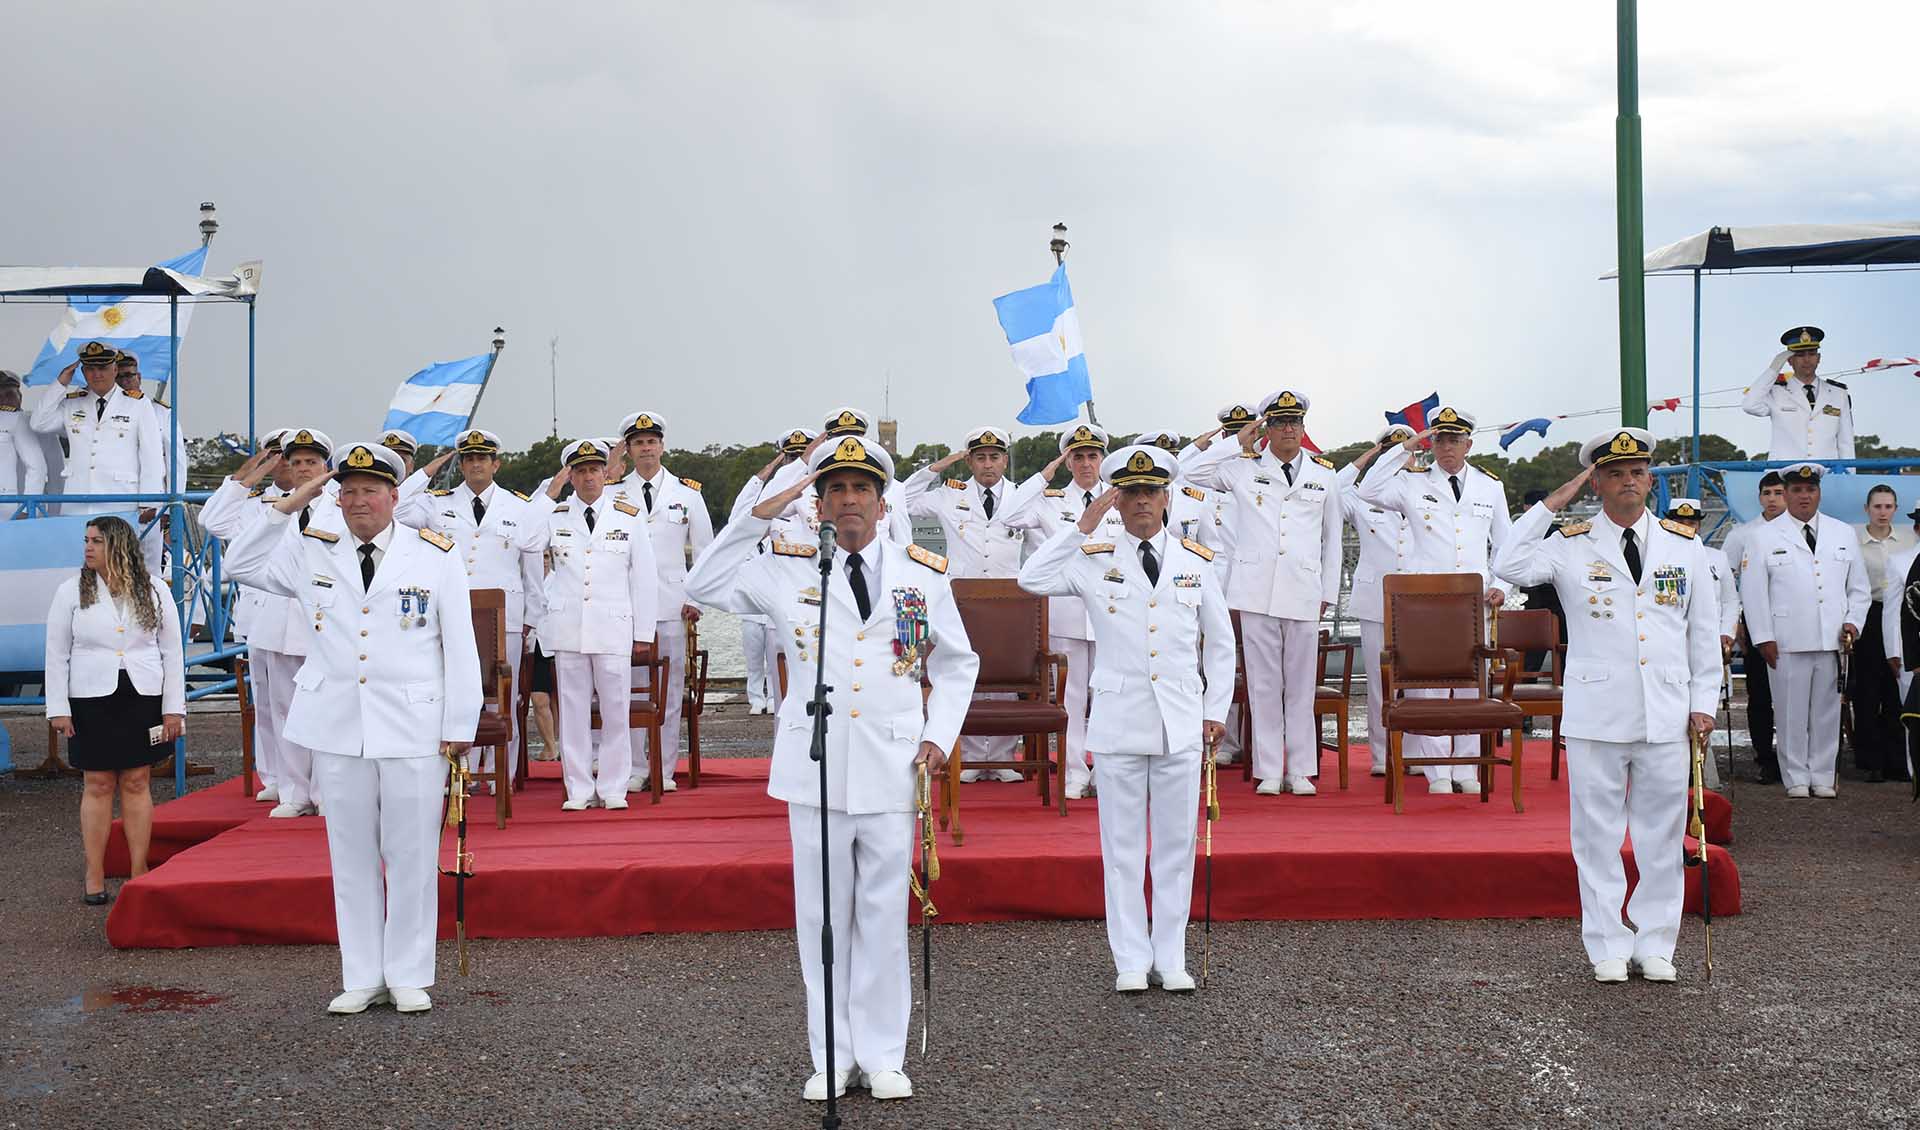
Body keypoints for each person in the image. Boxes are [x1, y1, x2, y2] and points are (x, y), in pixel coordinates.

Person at [686, 434, 978, 1103]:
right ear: (817, 503)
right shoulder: (786, 566)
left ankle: (882, 1055)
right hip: (814, 766)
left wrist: (939, 735)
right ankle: (830, 1055)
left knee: (881, 915)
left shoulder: (921, 571)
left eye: (861, 490)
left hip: (892, 760)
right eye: (836, 490)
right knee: (821, 917)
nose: (849, 501)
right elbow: (701, 582)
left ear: (882, 504)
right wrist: (765, 507)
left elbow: (958, 663)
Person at [222, 440, 480, 1015]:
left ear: (394, 496)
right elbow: (239, 562)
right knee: (351, 855)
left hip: (415, 723)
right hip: (339, 723)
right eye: (348, 490)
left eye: (370, 490)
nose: (358, 500)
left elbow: (460, 645)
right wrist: (295, 499)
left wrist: (460, 723)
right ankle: (362, 974)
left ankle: (409, 973)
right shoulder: (312, 548)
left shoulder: (434, 552)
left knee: (412, 851)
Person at [1493, 427, 1719, 983]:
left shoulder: (1684, 546)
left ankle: (1657, 943)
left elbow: (1702, 632)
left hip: (1667, 712)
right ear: (1596, 481)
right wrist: (1552, 503)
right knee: (1595, 836)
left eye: (1637, 473)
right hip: (1598, 712)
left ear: (1650, 480)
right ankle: (1607, 946)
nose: (1628, 483)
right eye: (1615, 474)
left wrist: (1704, 703)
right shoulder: (1570, 542)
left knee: (1661, 836)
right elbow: (1506, 562)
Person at [1017, 444, 1232, 991]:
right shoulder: (1094, 556)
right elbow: (1030, 580)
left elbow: (1222, 645)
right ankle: (1131, 960)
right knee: (1123, 848)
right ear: (1117, 499)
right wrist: (1080, 526)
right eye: (1131, 492)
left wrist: (1214, 710)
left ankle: (1172, 956)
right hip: (1117, 721)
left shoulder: (1195, 561)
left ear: (1166, 498)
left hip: (1180, 720)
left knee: (1177, 846)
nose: (1142, 501)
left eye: (1151, 492)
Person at [1183, 390, 1340, 795]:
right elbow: (1193, 472)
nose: (1287, 429)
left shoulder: (1324, 475)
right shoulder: (1240, 468)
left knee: (1301, 686)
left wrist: (1329, 591)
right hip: (1255, 590)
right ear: (1266, 428)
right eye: (1278, 422)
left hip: (1305, 590)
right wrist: (1238, 440)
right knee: (1264, 685)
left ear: (1304, 428)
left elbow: (1333, 539)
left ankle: (1301, 768)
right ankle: (1270, 768)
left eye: (1294, 422)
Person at [1355, 404, 1514, 794]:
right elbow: (1368, 488)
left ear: (1468, 444)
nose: (1447, 447)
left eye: (1454, 440)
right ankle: (1439, 769)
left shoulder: (1489, 487)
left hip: (1474, 601)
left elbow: (1507, 545)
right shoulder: (1413, 482)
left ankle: (1468, 767)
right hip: (1426, 600)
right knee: (1429, 686)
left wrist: (1503, 586)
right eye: (1440, 439)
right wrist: (1407, 445)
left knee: (1471, 687)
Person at [395, 428, 554, 789]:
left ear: (496, 464)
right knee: (453, 695)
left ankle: (503, 774)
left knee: (504, 698)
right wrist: (428, 471)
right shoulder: (437, 502)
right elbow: (397, 507)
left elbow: (531, 568)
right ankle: (458, 773)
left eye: (482, 458)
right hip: (450, 613)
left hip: (506, 616)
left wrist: (532, 617)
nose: (475, 464)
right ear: (461, 464)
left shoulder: (520, 506)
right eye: (468, 459)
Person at [45, 516, 186, 905]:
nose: (88, 547)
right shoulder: (70, 591)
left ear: (119, 545)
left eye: (97, 541)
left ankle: (139, 869)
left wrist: (174, 709)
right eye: (86, 540)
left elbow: (173, 653)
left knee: (138, 780)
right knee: (98, 782)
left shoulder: (154, 589)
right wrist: (58, 708)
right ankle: (95, 871)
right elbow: (56, 654)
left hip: (141, 695)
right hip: (90, 698)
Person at [200, 429, 338, 816]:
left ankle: (326, 791)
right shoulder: (269, 509)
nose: (304, 469)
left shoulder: (343, 506)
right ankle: (294, 792)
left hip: (327, 626)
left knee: (328, 710)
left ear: (325, 466)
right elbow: (217, 525)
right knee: (282, 710)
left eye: (311, 462)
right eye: (296, 463)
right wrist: (258, 469)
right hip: (278, 623)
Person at [901, 425, 1045, 782]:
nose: (988, 465)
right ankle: (965, 755)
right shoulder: (950, 495)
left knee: (1007, 681)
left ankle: (1001, 757)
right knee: (961, 676)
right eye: (979, 457)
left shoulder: (1022, 496)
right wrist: (938, 467)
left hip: (1011, 600)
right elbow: (899, 500)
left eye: (994, 457)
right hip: (960, 601)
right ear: (969, 461)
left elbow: (1043, 546)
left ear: (1005, 460)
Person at [1000, 423, 1126, 799]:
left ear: (1102, 459)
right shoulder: (1049, 499)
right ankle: (1074, 772)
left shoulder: (1120, 497)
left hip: (1112, 615)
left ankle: (1106, 770)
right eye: (1078, 457)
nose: (1086, 464)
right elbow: (1008, 515)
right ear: (1068, 461)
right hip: (1068, 615)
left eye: (1092, 455)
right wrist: (1043, 475)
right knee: (1070, 700)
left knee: (1109, 696)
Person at [537, 439, 658, 811]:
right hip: (569, 628)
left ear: (606, 473)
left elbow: (645, 576)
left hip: (613, 627)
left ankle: (613, 787)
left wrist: (643, 633)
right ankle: (577, 788)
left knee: (615, 709)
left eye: (594, 469)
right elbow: (526, 542)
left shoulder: (628, 514)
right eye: (580, 471)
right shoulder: (553, 514)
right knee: (571, 713)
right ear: (570, 476)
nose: (588, 477)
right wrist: (549, 491)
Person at [1739, 463, 1870, 798]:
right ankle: (1796, 775)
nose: (1804, 496)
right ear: (1787, 494)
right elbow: (1753, 593)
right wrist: (1763, 637)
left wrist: (1853, 621)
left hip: (1832, 638)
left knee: (1827, 712)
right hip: (1785, 640)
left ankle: (1824, 774)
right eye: (1796, 490)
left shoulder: (1842, 533)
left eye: (1810, 490)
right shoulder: (1761, 536)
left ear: (1819, 493)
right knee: (1790, 712)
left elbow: (1859, 588)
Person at [609, 411, 715, 792]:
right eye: (638, 443)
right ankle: (636, 767)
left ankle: (665, 768)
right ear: (629, 449)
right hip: (627, 605)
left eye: (651, 442)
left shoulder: (688, 494)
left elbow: (704, 551)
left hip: (673, 602)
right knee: (629, 688)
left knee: (670, 691)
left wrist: (696, 598)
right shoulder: (614, 492)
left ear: (662, 446)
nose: (646, 449)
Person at [29, 342, 164, 559]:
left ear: (114, 370)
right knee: (78, 566)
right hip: (77, 504)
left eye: (102, 368)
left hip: (119, 501)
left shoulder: (137, 404)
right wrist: (60, 383)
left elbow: (152, 456)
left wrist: (149, 501)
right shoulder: (73, 403)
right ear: (82, 372)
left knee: (119, 566)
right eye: (90, 369)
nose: (97, 374)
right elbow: (38, 423)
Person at [1336, 425, 1414, 775]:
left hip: (1417, 602)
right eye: (1390, 452)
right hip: (1373, 599)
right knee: (1379, 681)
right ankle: (1382, 756)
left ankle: (1415, 752)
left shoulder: (1424, 490)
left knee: (1416, 681)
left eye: (1404, 451)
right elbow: (1333, 491)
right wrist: (1368, 456)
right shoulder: (1362, 496)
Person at [1724, 472, 1786, 783]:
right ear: (1759, 498)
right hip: (1755, 622)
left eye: (1778, 492)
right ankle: (1765, 758)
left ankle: (1795, 757)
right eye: (1768, 493)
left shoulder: (1800, 533)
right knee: (1760, 695)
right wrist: (1736, 623)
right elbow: (1725, 582)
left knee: (1798, 695)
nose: (1773, 499)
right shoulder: (1742, 535)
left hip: (1794, 622)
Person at [1851, 485, 1915, 781]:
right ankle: (1870, 759)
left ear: (1895, 509)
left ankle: (1897, 759)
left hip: (1901, 616)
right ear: (1867, 509)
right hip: (1866, 616)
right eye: (1877, 506)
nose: (1882, 512)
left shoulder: (1908, 540)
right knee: (1866, 692)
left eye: (1888, 506)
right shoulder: (1854, 540)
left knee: (1895, 691)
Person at [1741, 326, 1855, 461]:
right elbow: (1749, 405)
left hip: (1826, 475)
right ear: (1789, 360)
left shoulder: (1838, 394)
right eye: (1800, 355)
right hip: (1784, 475)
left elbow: (1846, 443)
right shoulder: (1776, 392)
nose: (1807, 360)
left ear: (1818, 358)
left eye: (1812, 354)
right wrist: (1773, 369)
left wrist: (1847, 478)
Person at [1880, 504, 1920, 777]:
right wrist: (1895, 652)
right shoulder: (1900, 561)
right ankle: (1915, 771)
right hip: (1914, 651)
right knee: (1915, 717)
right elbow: (1893, 610)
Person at [0, 369, 50, 520]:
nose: (3, 401)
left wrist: (28, 508)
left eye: (9, 395)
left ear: (19, 397)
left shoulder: (17, 419)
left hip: (7, 506)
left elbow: (37, 466)